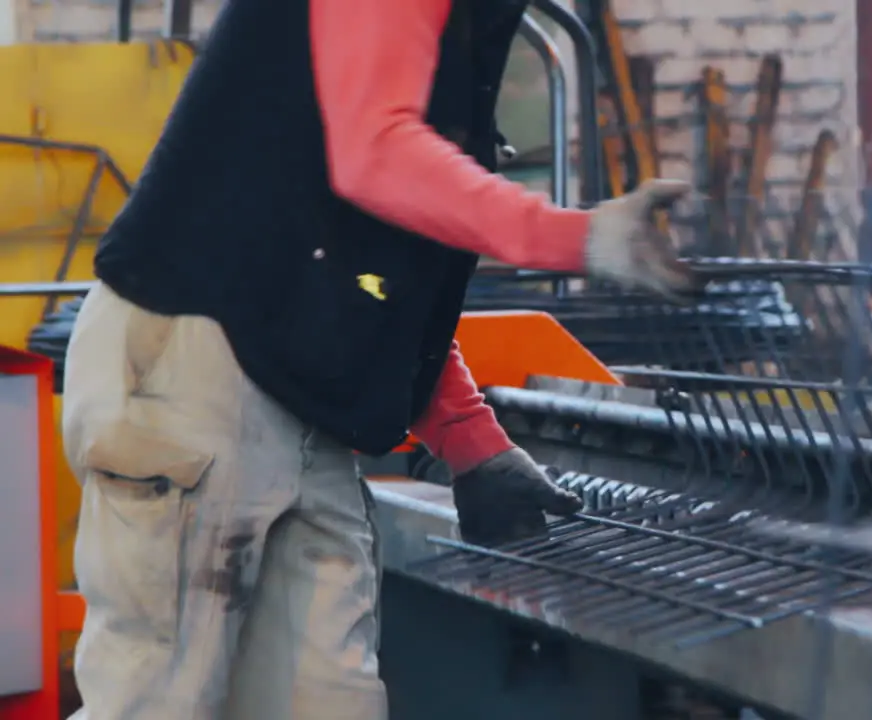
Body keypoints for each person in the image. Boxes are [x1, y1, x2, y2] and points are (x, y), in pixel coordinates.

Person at [58, 0, 698, 716]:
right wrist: (577, 239)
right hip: (193, 363)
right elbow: (375, 155)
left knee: (331, 703)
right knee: (157, 701)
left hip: (301, 393)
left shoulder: (471, 27)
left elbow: (369, 274)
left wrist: (470, 441)